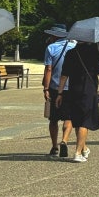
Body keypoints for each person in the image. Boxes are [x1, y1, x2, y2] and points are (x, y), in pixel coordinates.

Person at [58, 40, 99, 162]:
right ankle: (78, 153)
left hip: (73, 90)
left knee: (77, 120)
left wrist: (60, 93)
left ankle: (84, 149)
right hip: (88, 91)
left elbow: (64, 75)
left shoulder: (70, 53)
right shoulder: (94, 53)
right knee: (85, 121)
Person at [42, 24, 76, 158]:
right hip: (70, 86)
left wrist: (45, 88)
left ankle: (54, 146)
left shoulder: (50, 48)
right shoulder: (73, 47)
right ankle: (65, 140)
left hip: (55, 86)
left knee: (53, 119)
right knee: (68, 117)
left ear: (55, 35)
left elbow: (48, 69)